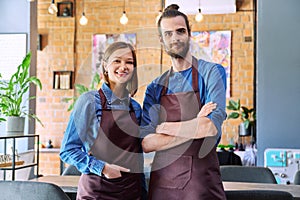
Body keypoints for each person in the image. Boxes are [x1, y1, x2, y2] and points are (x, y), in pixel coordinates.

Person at [140, 4, 227, 200]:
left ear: (189, 34)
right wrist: (194, 124)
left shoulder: (212, 72)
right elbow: (146, 142)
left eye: (180, 31)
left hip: (200, 183)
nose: (175, 38)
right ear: (161, 40)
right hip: (162, 183)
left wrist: (163, 127)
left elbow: (209, 128)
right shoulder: (156, 87)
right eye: (168, 34)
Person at [60, 41, 147, 200]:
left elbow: (137, 155)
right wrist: (103, 168)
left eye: (129, 62)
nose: (123, 66)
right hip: (98, 192)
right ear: (106, 65)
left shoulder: (135, 107)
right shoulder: (89, 101)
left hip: (132, 193)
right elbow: (68, 150)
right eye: (117, 61)